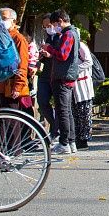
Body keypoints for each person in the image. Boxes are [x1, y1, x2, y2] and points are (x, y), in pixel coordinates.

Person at [41, 10, 81, 154]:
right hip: (68, 76)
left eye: (54, 24)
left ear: (60, 21)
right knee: (67, 111)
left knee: (62, 111)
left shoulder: (68, 34)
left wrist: (49, 48)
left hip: (63, 76)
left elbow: (63, 55)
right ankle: (71, 141)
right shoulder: (74, 33)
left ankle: (64, 142)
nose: (54, 27)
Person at [0, 8, 31, 114]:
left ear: (14, 21)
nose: (1, 21)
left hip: (10, 86)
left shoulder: (18, 39)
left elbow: (23, 65)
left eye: (4, 18)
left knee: (10, 122)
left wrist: (18, 85)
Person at [35, 14, 57, 142]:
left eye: (49, 26)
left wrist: (51, 55)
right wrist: (42, 55)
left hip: (58, 74)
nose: (47, 29)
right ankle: (54, 125)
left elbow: (65, 56)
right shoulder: (48, 38)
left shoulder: (62, 37)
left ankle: (57, 131)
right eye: (45, 27)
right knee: (42, 101)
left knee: (60, 105)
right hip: (45, 73)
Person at [72, 28, 95, 149]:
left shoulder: (80, 46)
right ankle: (76, 137)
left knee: (84, 113)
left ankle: (84, 139)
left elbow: (88, 61)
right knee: (75, 112)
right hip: (73, 84)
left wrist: (74, 71)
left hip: (82, 83)